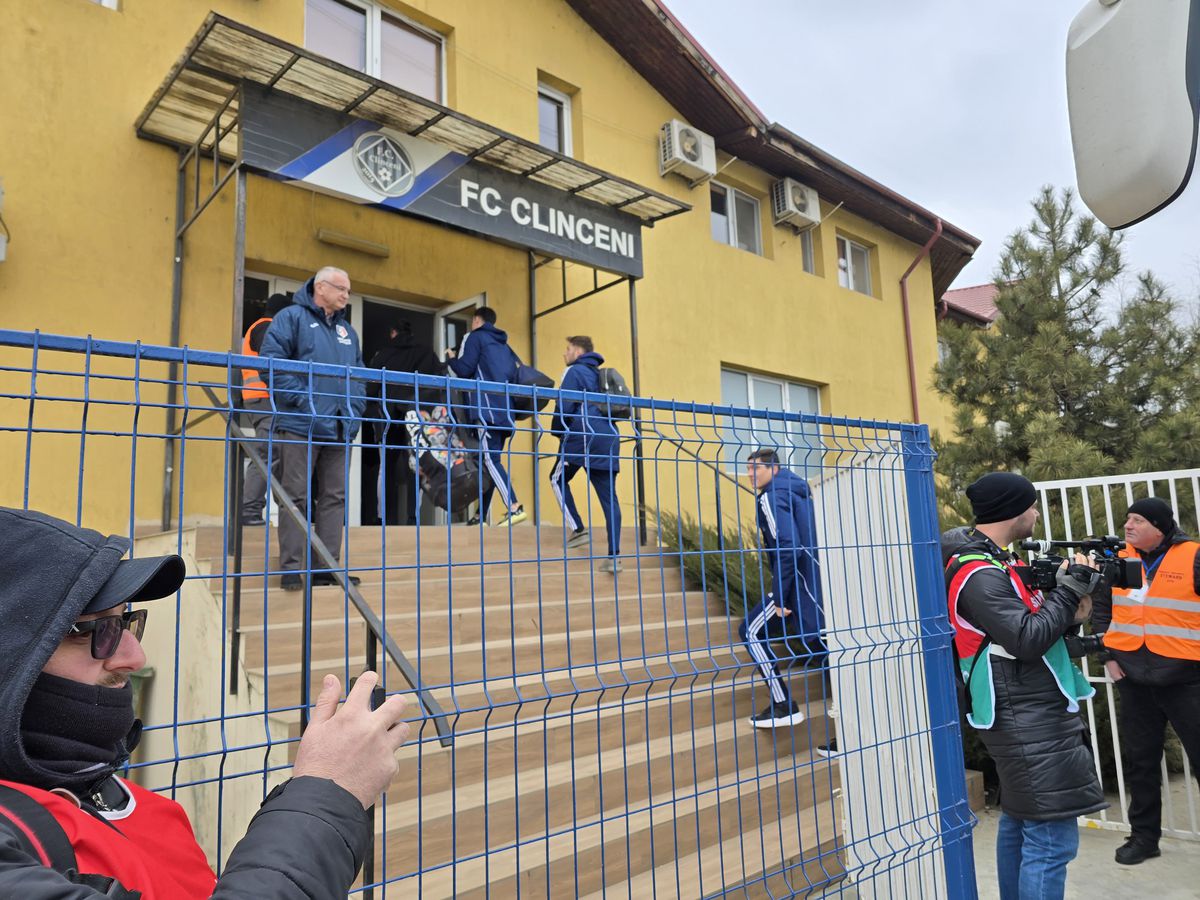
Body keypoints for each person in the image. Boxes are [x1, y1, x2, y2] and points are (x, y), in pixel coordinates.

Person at [0, 505, 410, 897]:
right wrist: (327, 793)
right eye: (99, 630)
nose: (134, 657)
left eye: (127, 622)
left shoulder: (127, 801)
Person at [943, 472, 1105, 900]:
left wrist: (1074, 602)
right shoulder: (978, 573)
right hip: (1022, 715)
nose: (1035, 513)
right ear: (1015, 511)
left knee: (1021, 820)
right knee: (1052, 842)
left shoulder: (1001, 562)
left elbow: (1037, 626)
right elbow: (1026, 639)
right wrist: (1067, 593)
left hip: (1029, 707)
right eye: (1032, 505)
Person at [1091, 497, 1200, 866]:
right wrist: (1107, 656)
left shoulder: (1193, 556)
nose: (1128, 525)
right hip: (1133, 675)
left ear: (1159, 525)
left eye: (1137, 519)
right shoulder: (1119, 558)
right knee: (1141, 761)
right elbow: (1101, 607)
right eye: (1127, 518)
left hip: (1185, 677)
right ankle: (1144, 837)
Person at [258, 267, 367, 591]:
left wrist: (354, 410)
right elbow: (271, 365)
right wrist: (306, 403)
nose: (347, 295)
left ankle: (327, 568)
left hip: (338, 426)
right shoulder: (291, 317)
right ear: (320, 287)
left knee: (335, 498)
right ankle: (291, 568)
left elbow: (358, 375)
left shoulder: (347, 330)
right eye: (341, 288)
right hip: (300, 425)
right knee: (295, 497)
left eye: (348, 289)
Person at [739, 448, 825, 729]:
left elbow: (787, 547)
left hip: (799, 586)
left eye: (756, 469)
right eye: (748, 469)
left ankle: (783, 705)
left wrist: (780, 595)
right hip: (818, 584)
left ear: (773, 469)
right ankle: (855, 727)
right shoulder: (798, 491)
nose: (751, 474)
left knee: (750, 631)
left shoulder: (771, 496)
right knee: (826, 653)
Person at [444, 306, 526, 527]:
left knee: (490, 461)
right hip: (505, 413)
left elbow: (464, 369)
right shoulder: (504, 345)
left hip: (485, 411)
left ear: (477, 321)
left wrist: (451, 358)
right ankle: (481, 516)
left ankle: (514, 506)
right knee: (487, 463)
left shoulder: (475, 337)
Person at [549, 335, 622, 573]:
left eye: (567, 349)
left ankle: (578, 529)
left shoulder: (574, 372)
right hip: (609, 436)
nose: (564, 353)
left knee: (556, 478)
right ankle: (614, 557)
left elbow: (564, 407)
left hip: (583, 436)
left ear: (578, 352)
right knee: (609, 497)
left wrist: (558, 434)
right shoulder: (599, 375)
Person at [368, 319, 443, 526]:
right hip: (415, 418)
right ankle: (413, 518)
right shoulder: (426, 353)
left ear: (393, 332)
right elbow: (440, 379)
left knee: (386, 468)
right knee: (415, 466)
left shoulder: (383, 354)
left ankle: (384, 519)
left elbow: (370, 389)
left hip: (388, 417)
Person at [239, 293, 291, 526]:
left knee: (274, 452)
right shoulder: (266, 327)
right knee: (266, 452)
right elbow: (275, 359)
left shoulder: (261, 327)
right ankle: (250, 511)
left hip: (262, 399)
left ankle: (288, 510)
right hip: (264, 398)